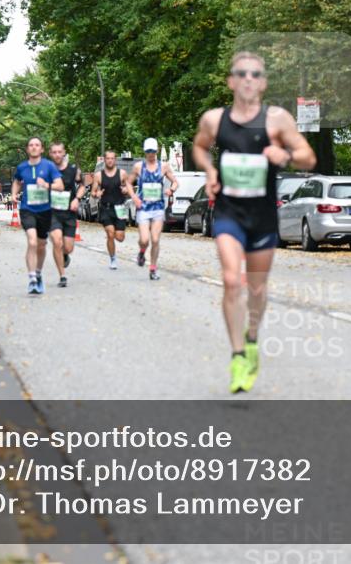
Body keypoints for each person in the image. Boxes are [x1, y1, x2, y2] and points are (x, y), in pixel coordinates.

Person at [193, 51, 316, 393]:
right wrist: (211, 169)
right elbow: (200, 148)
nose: (248, 78)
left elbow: (309, 157)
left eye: (255, 74)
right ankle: (237, 357)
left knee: (258, 289)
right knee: (232, 280)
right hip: (229, 213)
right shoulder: (215, 120)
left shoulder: (278, 120)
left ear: (263, 83)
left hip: (262, 218)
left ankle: (251, 338)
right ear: (231, 81)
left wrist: (286, 155)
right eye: (241, 73)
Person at [11, 137, 64, 294]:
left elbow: (60, 186)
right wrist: (14, 194)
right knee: (32, 242)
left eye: (37, 145)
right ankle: (32, 278)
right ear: (27, 149)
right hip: (27, 209)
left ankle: (38, 272)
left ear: (41, 149)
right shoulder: (22, 167)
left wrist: (46, 185)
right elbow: (16, 181)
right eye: (31, 145)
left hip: (45, 210)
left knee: (41, 244)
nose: (34, 147)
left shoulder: (49, 166)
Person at [129, 138, 179, 281]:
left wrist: (171, 190)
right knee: (145, 240)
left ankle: (153, 269)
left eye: (152, 151)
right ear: (145, 152)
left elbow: (175, 182)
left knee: (155, 239)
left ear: (156, 151)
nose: (150, 154)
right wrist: (134, 197)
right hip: (143, 208)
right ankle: (142, 251)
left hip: (157, 207)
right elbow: (127, 182)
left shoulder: (164, 166)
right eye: (148, 151)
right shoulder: (138, 167)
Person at [48, 142, 85, 287]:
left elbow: (82, 186)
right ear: (50, 154)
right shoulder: (46, 171)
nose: (57, 155)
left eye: (59, 152)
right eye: (54, 152)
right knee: (57, 241)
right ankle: (62, 276)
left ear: (64, 153)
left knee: (68, 248)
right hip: (52, 212)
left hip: (69, 213)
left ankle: (64, 255)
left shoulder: (74, 170)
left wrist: (77, 199)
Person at [93, 150, 131, 270]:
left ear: (115, 160)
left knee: (119, 237)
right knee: (110, 234)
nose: (110, 160)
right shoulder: (99, 175)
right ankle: (113, 258)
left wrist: (126, 190)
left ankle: (116, 233)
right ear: (104, 160)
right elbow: (93, 192)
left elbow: (129, 189)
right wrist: (96, 194)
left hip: (120, 208)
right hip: (106, 208)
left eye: (112, 158)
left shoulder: (122, 174)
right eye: (108, 158)